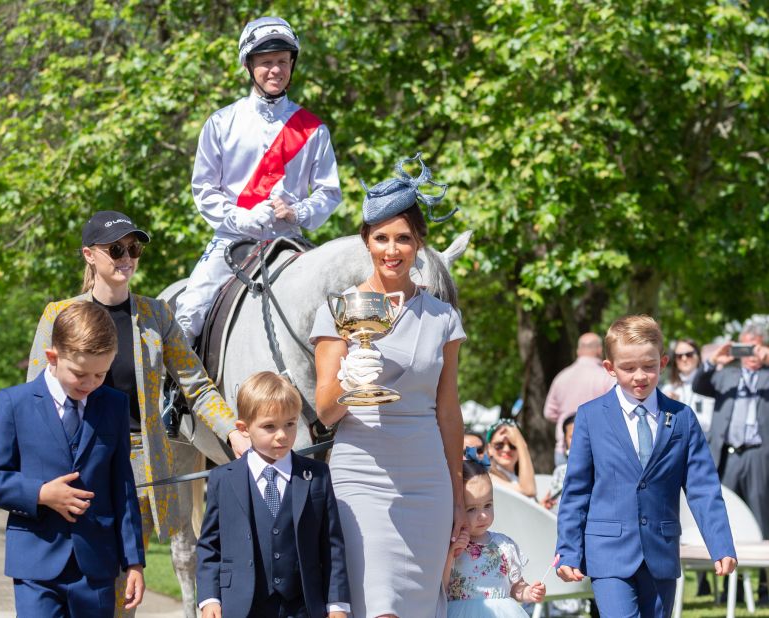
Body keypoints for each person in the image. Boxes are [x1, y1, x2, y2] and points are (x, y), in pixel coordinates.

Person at [27, 211, 248, 613]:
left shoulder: (156, 315)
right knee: (77, 587)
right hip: (76, 466)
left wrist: (233, 431)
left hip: (139, 475)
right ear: (89, 255)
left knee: (122, 596)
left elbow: (196, 386)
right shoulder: (58, 314)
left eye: (134, 248)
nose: (127, 257)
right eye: (116, 249)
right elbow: (36, 400)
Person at [311, 153, 465, 617]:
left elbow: (448, 412)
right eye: (381, 238)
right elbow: (324, 411)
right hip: (362, 476)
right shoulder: (339, 311)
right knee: (377, 606)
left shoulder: (444, 318)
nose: (392, 249)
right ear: (366, 241)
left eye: (403, 238)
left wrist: (458, 493)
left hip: (427, 482)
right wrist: (350, 377)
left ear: (419, 244)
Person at [175, 16, 342, 345]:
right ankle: (175, 395)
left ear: (292, 64)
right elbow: (204, 190)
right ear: (249, 66)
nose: (276, 70)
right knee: (188, 311)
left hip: (289, 239)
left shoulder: (313, 129)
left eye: (282, 61)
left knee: (337, 307)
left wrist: (298, 213)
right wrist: (241, 217)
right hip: (232, 239)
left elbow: (329, 191)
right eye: (266, 62)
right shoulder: (221, 123)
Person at [556, 314, 736, 617]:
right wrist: (568, 551)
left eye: (649, 366)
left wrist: (721, 544)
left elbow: (703, 488)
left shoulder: (682, 418)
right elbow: (576, 491)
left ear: (663, 362)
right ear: (610, 368)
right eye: (628, 368)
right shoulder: (590, 417)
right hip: (608, 552)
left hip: (661, 551)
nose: (640, 375)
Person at [0, 302, 145, 616]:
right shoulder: (15, 403)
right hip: (35, 561)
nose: (91, 383)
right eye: (80, 373)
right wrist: (40, 493)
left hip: (96, 564)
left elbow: (122, 484)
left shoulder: (114, 405)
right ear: (53, 357)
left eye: (100, 374)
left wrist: (134, 561)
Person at [196, 371, 350, 618]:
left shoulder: (317, 476)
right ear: (243, 429)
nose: (282, 435)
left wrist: (337, 605)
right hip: (243, 608)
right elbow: (209, 546)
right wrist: (209, 598)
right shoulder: (223, 479)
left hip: (302, 608)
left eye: (290, 424)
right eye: (269, 426)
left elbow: (332, 547)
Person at [692, 323, 769, 602]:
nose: (750, 353)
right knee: (728, 516)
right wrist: (714, 361)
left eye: (755, 346)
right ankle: (727, 586)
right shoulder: (727, 375)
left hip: (759, 453)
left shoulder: (766, 375)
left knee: (761, 516)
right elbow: (699, 385)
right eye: (745, 347)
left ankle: (762, 584)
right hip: (728, 454)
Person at [443, 460, 546, 617]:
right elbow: (441, 588)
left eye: (488, 505)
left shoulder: (504, 545)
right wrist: (451, 553)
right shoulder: (449, 544)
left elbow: (515, 586)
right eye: (471, 509)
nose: (483, 515)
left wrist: (528, 592)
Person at [543, 333, 615, 465]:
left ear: (578, 351)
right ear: (600, 350)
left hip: (564, 448)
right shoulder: (607, 377)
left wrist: (565, 419)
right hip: (597, 449)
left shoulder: (561, 377)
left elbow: (549, 413)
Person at [663, 338, 714, 434]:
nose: (684, 359)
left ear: (698, 356)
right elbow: (666, 425)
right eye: (679, 356)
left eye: (689, 354)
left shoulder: (708, 386)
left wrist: (679, 408)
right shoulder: (668, 388)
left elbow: (708, 425)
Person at [485, 419, 537, 499]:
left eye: (512, 444)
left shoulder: (521, 477)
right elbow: (528, 491)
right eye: (499, 445)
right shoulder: (487, 477)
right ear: (489, 449)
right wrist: (521, 444)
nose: (506, 449)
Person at [541, 415, 575, 511]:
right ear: (565, 440)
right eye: (572, 436)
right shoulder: (560, 471)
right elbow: (555, 507)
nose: (578, 440)